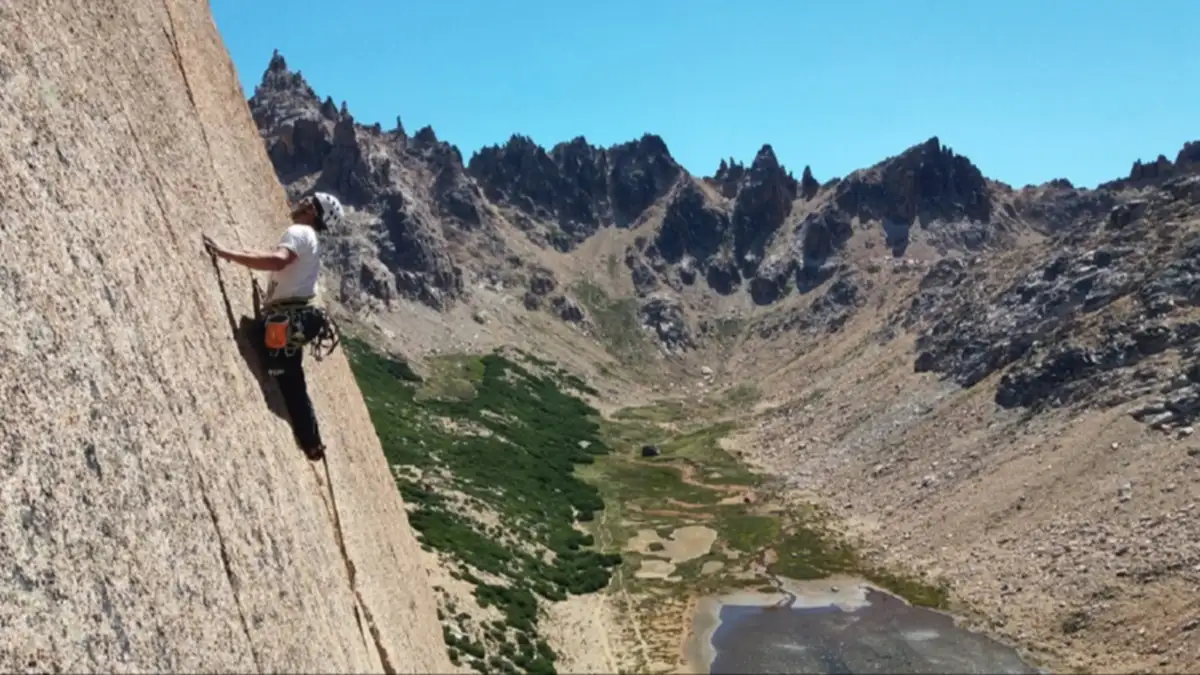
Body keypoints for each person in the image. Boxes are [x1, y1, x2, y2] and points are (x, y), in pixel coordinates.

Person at [202, 191, 345, 461]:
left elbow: (278, 261)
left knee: (274, 356)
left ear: (313, 211)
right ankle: (312, 442)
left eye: (307, 200)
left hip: (291, 319)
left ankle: (311, 440)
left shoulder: (300, 232)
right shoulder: (311, 239)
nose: (301, 201)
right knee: (291, 380)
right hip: (300, 318)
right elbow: (286, 272)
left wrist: (226, 254)